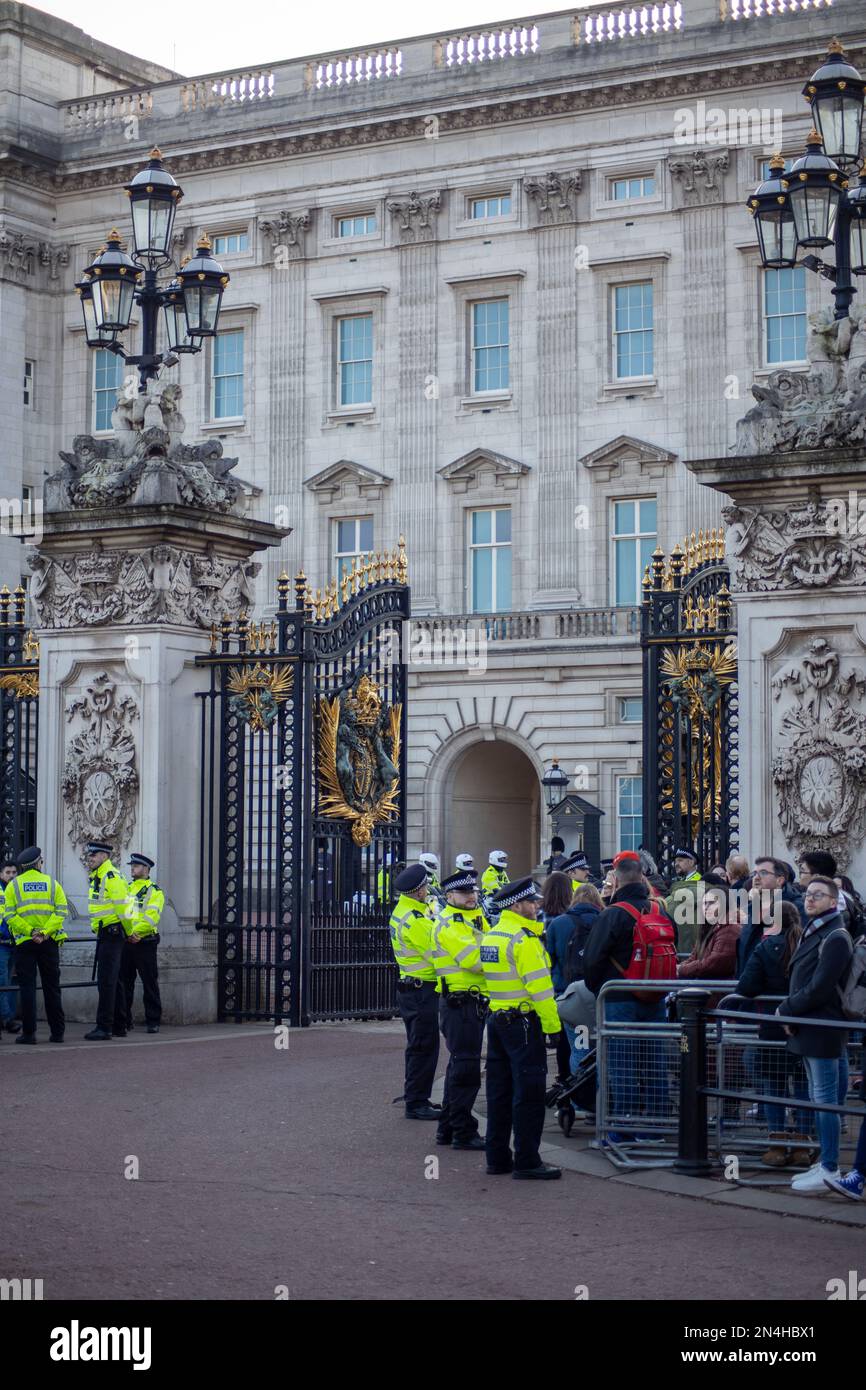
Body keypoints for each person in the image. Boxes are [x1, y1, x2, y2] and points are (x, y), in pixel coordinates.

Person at [583, 851, 670, 1140]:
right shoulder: (659, 911)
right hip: (655, 997)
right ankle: (657, 1127)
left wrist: (601, 990)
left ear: (617, 881)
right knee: (655, 1064)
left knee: (621, 1066)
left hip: (619, 997)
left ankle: (622, 1130)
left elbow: (592, 961)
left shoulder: (612, 914)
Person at [480, 876, 561, 1179]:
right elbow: (541, 990)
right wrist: (553, 1028)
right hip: (524, 1023)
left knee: (498, 1091)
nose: (537, 905)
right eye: (531, 901)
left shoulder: (494, 935)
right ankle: (528, 1160)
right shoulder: (523, 940)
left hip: (498, 1019)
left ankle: (497, 1157)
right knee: (528, 1092)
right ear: (517, 905)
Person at [780, 876, 853, 1194]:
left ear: (833, 901)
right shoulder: (822, 929)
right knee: (820, 1097)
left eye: (818, 895)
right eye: (808, 894)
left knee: (825, 1100)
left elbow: (821, 986)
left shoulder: (836, 935)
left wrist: (788, 1008)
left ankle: (831, 1166)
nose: (809, 899)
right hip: (813, 1024)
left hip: (822, 1024)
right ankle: (826, 1162)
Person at [737, 900, 814, 1168]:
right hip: (804, 1023)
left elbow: (746, 986)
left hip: (772, 1024)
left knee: (774, 1086)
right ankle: (803, 1145)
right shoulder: (810, 945)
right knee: (804, 1086)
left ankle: (777, 1144)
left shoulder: (767, 946)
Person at [430, 869, 488, 1150]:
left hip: (470, 1003)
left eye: (473, 892)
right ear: (449, 895)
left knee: (460, 1066)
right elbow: (474, 961)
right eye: (465, 893)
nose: (471, 896)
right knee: (465, 1068)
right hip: (460, 1003)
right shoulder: (450, 924)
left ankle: (448, 1128)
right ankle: (463, 1132)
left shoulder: (473, 918)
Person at [388, 862, 441, 1120]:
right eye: (426, 887)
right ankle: (417, 1102)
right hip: (422, 989)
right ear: (419, 891)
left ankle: (417, 1096)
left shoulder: (404, 911)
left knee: (418, 1045)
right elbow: (435, 954)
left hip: (412, 987)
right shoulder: (416, 920)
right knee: (424, 1047)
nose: (428, 889)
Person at [4, 846, 68, 1044]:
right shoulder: (52, 883)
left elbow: (9, 915)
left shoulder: (13, 886)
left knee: (27, 988)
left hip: (25, 943)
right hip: (48, 943)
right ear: (39, 863)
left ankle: (29, 1034)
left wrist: (30, 932)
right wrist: (45, 932)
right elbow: (61, 911)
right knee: (52, 987)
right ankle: (57, 1033)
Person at [549, 881, 603, 1075]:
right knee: (599, 1045)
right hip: (599, 993)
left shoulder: (558, 923)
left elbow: (550, 959)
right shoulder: (605, 920)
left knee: (570, 1046)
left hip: (568, 995)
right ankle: (599, 1093)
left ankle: (570, 1088)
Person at [84, 840, 134, 1041]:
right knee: (116, 981)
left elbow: (124, 908)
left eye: (93, 855)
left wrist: (129, 931)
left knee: (106, 982)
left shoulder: (110, 876)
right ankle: (119, 1026)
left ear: (104, 856)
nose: (90, 859)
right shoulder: (99, 876)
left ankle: (104, 1027)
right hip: (107, 933)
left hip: (112, 934)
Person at [119, 852, 164, 1035]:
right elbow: (124, 914)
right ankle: (124, 1020)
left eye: (136, 866)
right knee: (125, 983)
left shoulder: (154, 890)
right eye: (132, 866)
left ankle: (153, 1021)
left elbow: (151, 917)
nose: (132, 869)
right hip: (128, 941)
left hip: (145, 942)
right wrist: (129, 933)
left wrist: (136, 933)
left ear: (146, 869)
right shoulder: (128, 888)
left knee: (149, 983)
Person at [737, 856, 804, 974]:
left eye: (763, 873)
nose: (756, 878)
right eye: (754, 873)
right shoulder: (751, 907)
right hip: (749, 982)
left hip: (778, 986)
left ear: (780, 880)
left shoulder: (796, 907)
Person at [539, 871, 575, 1082]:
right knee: (566, 1040)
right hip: (566, 982)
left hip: (542, 981)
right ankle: (565, 1078)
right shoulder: (570, 918)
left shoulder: (538, 915)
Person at [677, 884, 741, 983]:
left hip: (718, 991)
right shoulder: (709, 927)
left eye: (711, 903)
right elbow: (694, 956)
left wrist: (681, 969)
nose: (706, 907)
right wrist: (681, 967)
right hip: (705, 987)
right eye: (704, 903)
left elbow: (712, 964)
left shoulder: (730, 929)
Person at [665, 846, 703, 956]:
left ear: (691, 862)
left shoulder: (697, 881)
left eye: (680, 860)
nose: (676, 864)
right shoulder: (682, 881)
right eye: (675, 861)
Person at [0, 858, 21, 1033]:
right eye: (8, 872)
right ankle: (7, 1019)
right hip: (1, 944)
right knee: (3, 982)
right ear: (1, 874)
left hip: (15, 944)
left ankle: (9, 1016)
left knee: (12, 982)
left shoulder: (18, 890)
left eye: (14, 872)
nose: (12, 876)